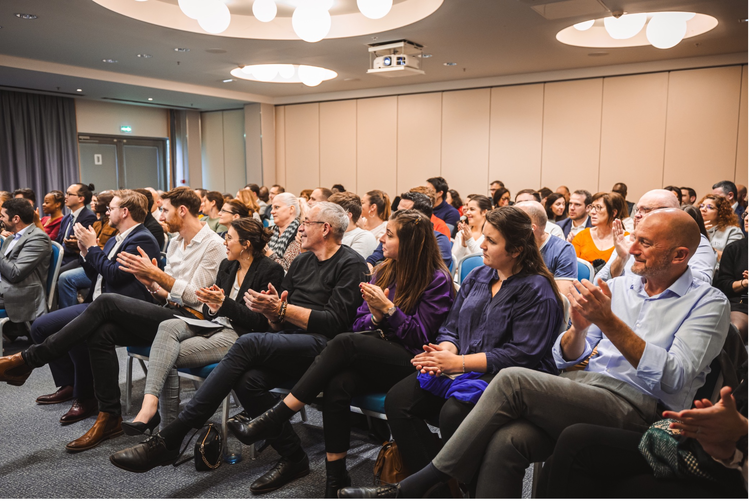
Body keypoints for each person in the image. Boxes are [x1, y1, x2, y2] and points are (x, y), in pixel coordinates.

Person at [339, 209, 730, 499]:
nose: (632, 249)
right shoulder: (623, 285)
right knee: (506, 441)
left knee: (511, 380)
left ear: (679, 256)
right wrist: (577, 328)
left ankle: (418, 486)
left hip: (639, 406)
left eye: (645, 243)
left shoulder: (708, 304)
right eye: (635, 238)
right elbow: (563, 357)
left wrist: (608, 323)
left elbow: (676, 379)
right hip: (580, 386)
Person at [109, 203, 369, 495]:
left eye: (306, 222)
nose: (300, 228)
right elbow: (275, 323)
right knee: (248, 382)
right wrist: (271, 313)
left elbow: (334, 324)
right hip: (290, 343)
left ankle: (173, 436)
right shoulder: (301, 262)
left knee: (246, 342)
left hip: (324, 348)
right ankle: (294, 457)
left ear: (325, 228)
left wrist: (281, 309)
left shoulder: (351, 264)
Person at [229, 209, 456, 497]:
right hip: (376, 349)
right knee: (337, 383)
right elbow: (360, 321)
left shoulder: (436, 279)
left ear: (410, 242)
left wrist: (389, 311)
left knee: (343, 342)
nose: (381, 239)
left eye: (389, 235)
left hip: (411, 360)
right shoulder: (385, 269)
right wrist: (375, 317)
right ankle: (335, 478)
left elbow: (421, 337)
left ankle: (278, 413)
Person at [0, 187, 226, 452]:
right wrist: (151, 284)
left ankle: (28, 360)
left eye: (164, 210)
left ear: (183, 210)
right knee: (101, 332)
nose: (159, 215)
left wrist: (156, 276)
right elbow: (165, 293)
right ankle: (109, 416)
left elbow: (195, 298)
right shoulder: (176, 241)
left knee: (104, 303)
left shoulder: (213, 245)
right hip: (166, 309)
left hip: (191, 321)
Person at [369, 206, 564, 494]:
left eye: (492, 241)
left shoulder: (537, 290)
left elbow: (521, 355)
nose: (481, 245)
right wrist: (444, 352)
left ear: (517, 250)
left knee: (454, 414)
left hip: (507, 379)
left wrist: (457, 362)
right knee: (398, 400)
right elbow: (451, 326)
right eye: (483, 236)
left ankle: (468, 488)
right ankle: (441, 492)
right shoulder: (479, 277)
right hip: (461, 364)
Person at [124, 218, 284, 432]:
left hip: (241, 335)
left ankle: (166, 428)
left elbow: (260, 322)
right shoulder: (228, 265)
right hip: (214, 325)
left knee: (164, 357)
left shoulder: (269, 270)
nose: (224, 242)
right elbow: (211, 308)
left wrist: (222, 303)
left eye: (229, 237)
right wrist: (213, 304)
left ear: (245, 244)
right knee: (168, 326)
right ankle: (152, 410)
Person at [30, 190, 160, 425]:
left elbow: (115, 276)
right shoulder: (116, 237)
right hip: (99, 301)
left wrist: (92, 249)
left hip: (118, 307)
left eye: (111, 208)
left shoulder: (142, 238)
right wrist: (84, 252)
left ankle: (85, 395)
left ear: (125, 212)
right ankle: (71, 385)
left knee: (58, 328)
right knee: (41, 327)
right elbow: (97, 274)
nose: (107, 212)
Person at [538, 373, 748, 498]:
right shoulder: (622, 297)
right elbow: (568, 355)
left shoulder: (707, 302)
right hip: (712, 452)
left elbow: (672, 378)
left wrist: (740, 437)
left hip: (644, 404)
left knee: (577, 449)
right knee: (557, 459)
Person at [597, 189, 717, 284]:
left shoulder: (693, 240)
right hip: (625, 303)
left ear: (668, 213)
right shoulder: (629, 240)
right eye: (637, 210)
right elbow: (599, 283)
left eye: (645, 210)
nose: (637, 215)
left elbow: (704, 282)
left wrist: (663, 263)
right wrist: (621, 258)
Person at [57, 191, 118, 309]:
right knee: (57, 273)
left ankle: (69, 314)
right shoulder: (97, 223)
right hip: (91, 260)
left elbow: (108, 251)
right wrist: (80, 244)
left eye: (97, 201)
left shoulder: (113, 225)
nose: (93, 203)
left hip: (101, 262)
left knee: (65, 277)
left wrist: (90, 245)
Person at [366, 192, 453, 271]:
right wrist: (369, 265)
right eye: (396, 210)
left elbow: (432, 273)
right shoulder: (393, 234)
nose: (395, 215)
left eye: (401, 213)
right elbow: (376, 256)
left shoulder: (439, 240)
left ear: (417, 218)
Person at [0, 198, 52, 327]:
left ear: (16, 219)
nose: (0, 219)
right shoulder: (12, 237)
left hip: (21, 292)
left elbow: (15, 273)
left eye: (2, 216)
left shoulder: (37, 238)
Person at [516, 201, 577, 296]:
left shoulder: (563, 249)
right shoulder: (511, 246)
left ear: (531, 228)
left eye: (514, 221)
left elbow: (562, 297)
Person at [714, 211, 748, 342]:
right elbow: (722, 285)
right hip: (743, 303)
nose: (747, 219)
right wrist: (745, 282)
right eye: (745, 214)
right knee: (734, 330)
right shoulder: (735, 248)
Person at [571, 192, 624, 265]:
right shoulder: (581, 236)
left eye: (599, 207)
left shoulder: (625, 239)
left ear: (613, 213)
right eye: (592, 207)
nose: (592, 212)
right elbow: (572, 268)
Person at [57, 183, 97, 267]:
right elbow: (59, 240)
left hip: (76, 259)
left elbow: (83, 245)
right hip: (61, 258)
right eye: (66, 193)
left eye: (69, 194)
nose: (65, 196)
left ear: (81, 198)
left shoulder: (89, 217)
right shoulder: (66, 218)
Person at [329, 192, 377, 259]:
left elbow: (349, 265)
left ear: (348, 216)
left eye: (331, 212)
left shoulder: (364, 237)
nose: (327, 215)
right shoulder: (329, 233)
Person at [698, 194, 743, 262]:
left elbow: (730, 259)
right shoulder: (695, 228)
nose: (703, 209)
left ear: (721, 212)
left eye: (710, 207)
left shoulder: (733, 231)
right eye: (701, 206)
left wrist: (705, 242)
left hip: (719, 270)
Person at [266, 192, 301, 272]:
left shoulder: (300, 234)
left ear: (291, 209)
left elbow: (287, 268)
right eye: (272, 208)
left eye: (276, 207)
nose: (272, 211)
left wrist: (266, 250)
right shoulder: (269, 231)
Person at [452, 195, 491, 262]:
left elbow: (485, 260)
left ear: (484, 212)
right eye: (467, 209)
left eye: (472, 209)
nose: (467, 213)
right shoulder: (462, 233)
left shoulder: (492, 235)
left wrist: (469, 240)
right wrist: (463, 245)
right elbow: (453, 262)